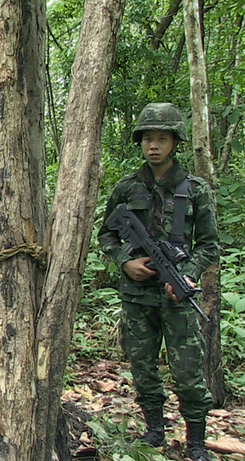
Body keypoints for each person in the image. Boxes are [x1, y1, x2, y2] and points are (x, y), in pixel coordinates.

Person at [98, 102, 220, 461]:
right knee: (142, 368)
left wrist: (188, 273)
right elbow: (107, 235)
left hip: (177, 298)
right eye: (147, 138)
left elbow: (210, 244)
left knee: (188, 373)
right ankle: (154, 430)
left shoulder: (195, 190)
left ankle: (197, 442)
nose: (153, 145)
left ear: (175, 143)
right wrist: (125, 261)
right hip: (137, 297)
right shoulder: (126, 188)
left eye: (162, 139)